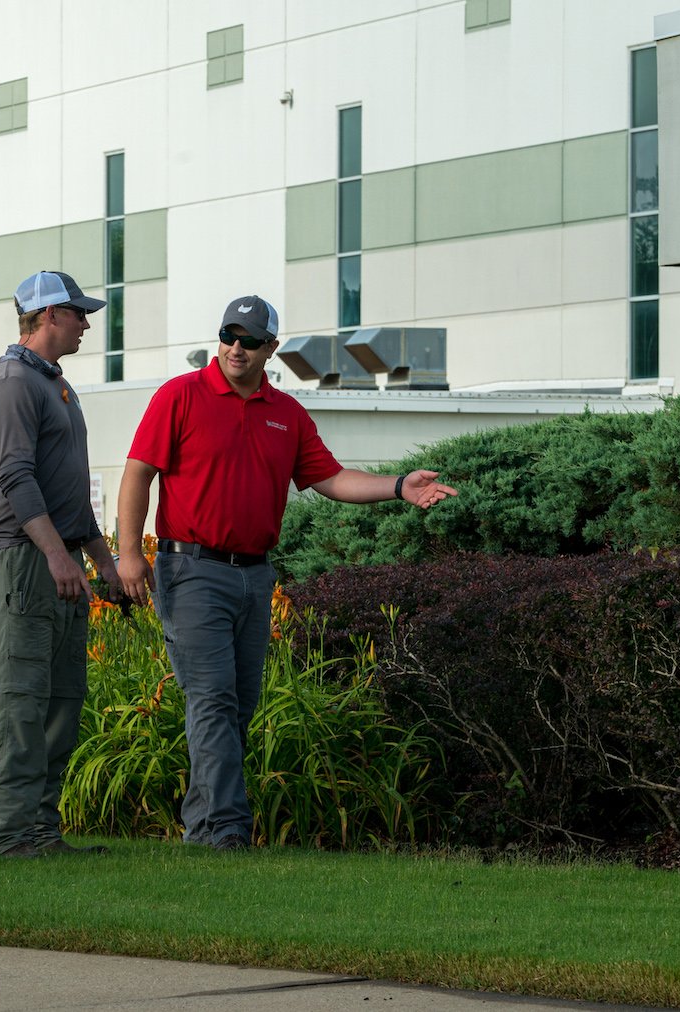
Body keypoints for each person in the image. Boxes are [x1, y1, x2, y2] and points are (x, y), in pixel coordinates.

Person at [116, 295, 457, 850]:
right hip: (191, 568)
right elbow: (137, 475)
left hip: (254, 576)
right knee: (212, 700)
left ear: (270, 348)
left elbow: (331, 478)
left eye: (249, 340)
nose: (235, 347)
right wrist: (130, 554)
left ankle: (204, 830)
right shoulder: (180, 395)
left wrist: (399, 486)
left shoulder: (286, 413)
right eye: (229, 334)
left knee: (238, 703)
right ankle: (227, 831)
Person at [0, 270, 126, 858]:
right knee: (20, 701)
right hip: (21, 562)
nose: (87, 322)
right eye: (77, 313)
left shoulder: (54, 383)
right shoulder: (13, 382)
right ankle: (11, 835)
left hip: (55, 561)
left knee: (62, 699)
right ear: (46, 317)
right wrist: (59, 557)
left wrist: (102, 562)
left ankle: (41, 830)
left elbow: (70, 492)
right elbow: (16, 478)